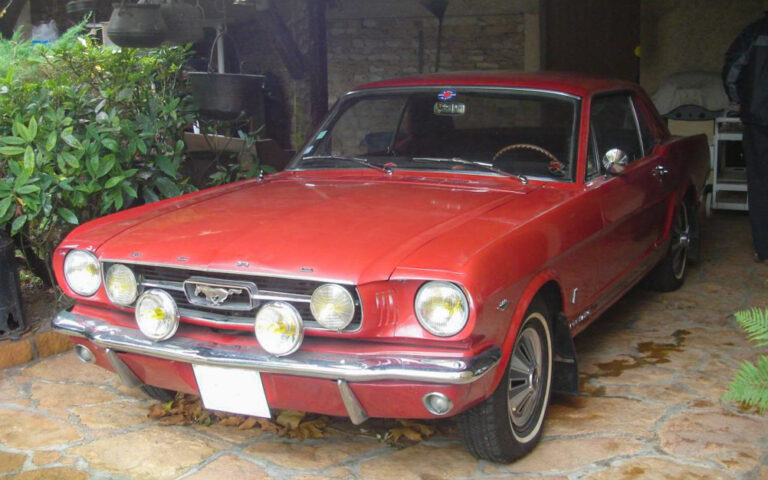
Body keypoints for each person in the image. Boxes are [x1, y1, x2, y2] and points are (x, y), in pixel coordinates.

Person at [723, 11, 768, 263]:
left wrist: (739, 100)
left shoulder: (754, 32)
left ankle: (764, 248)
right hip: (757, 116)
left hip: (758, 118)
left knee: (760, 182)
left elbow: (732, 69)